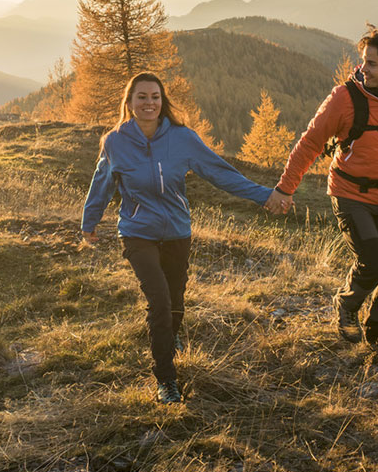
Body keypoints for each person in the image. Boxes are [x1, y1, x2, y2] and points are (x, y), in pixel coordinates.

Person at [82, 72, 282, 404]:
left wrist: (264, 196)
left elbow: (220, 173)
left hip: (176, 232)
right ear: (129, 103)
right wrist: (90, 221)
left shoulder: (183, 138)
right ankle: (166, 379)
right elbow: (101, 182)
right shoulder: (115, 141)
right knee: (159, 302)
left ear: (163, 102)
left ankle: (170, 336)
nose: (149, 103)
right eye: (142, 97)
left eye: (155, 97)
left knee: (175, 302)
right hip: (137, 233)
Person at [266, 24, 378, 359]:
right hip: (350, 193)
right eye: (363, 61)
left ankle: (377, 331)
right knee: (373, 262)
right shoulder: (345, 98)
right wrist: (285, 188)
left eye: (373, 64)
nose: (363, 68)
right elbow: (310, 142)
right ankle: (347, 305)